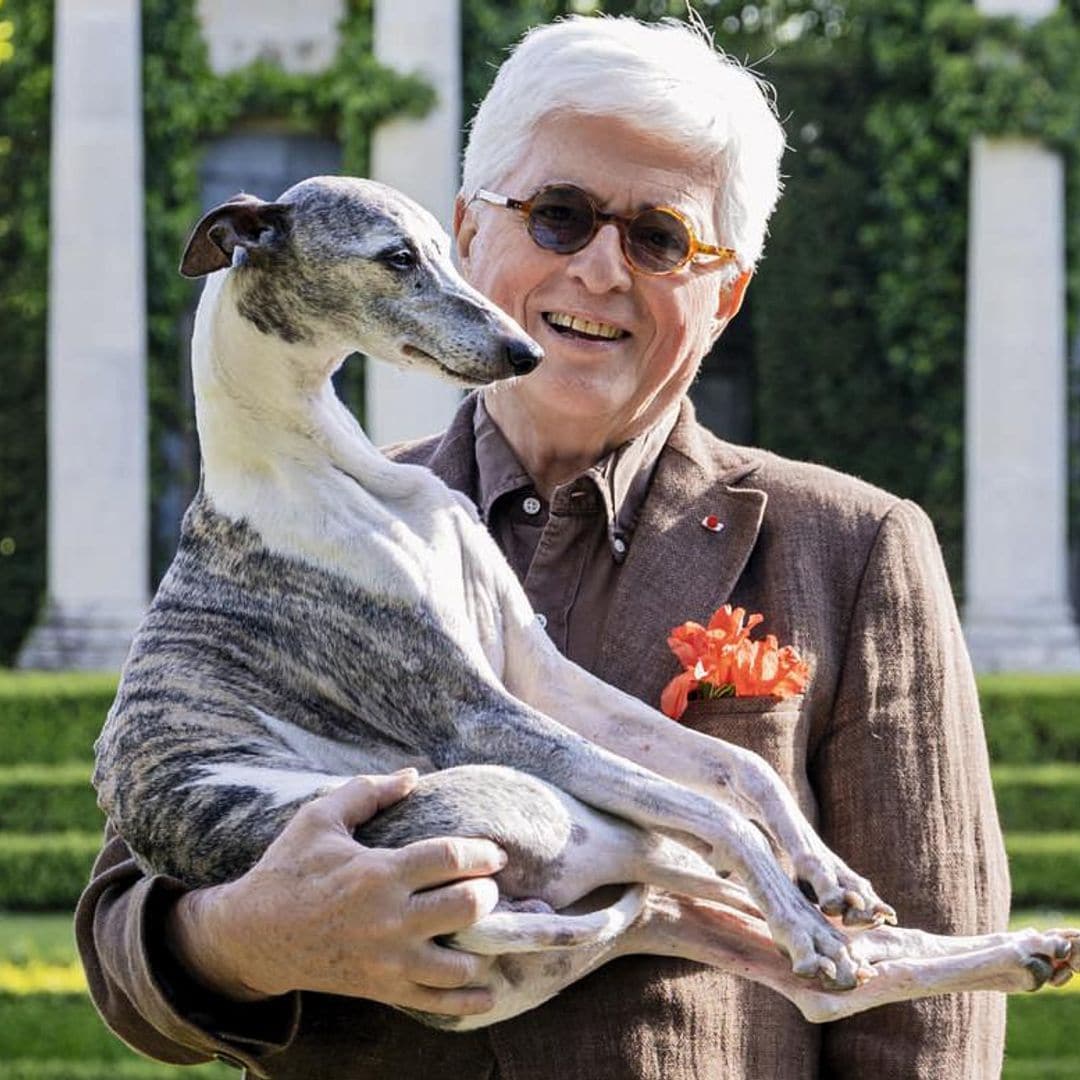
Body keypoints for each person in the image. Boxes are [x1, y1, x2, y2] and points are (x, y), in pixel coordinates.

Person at [76, 15, 1009, 1079]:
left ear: (728, 293)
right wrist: (249, 936)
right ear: (464, 235)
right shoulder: (286, 520)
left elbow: (929, 1022)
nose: (602, 271)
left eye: (660, 237)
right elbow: (127, 947)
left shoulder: (858, 546)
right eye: (559, 216)